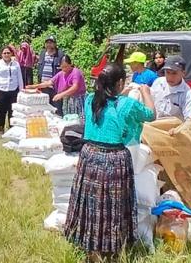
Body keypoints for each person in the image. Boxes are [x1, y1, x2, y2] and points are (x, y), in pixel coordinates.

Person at [64, 63, 155, 260]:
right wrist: (146, 92)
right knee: (113, 205)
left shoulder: (89, 99)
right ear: (121, 82)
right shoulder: (127, 104)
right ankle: (111, 249)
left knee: (92, 203)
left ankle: (90, 247)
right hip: (114, 159)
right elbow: (150, 115)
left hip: (89, 156)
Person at [151, 55, 191, 120]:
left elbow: (189, 120)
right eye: (167, 72)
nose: (170, 77)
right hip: (154, 126)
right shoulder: (158, 83)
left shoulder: (187, 94)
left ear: (183, 73)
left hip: (176, 129)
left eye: (174, 73)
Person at [0, 46, 24, 134]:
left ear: (11, 54)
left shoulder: (15, 64)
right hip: (2, 90)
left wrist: (21, 90)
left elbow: (20, 77)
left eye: (8, 53)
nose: (6, 55)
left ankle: (11, 129)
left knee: (12, 110)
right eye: (4, 53)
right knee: (2, 111)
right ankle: (1, 129)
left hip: (13, 90)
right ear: (1, 54)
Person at [38, 35, 66, 113]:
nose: (49, 44)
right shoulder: (43, 53)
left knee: (57, 108)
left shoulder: (60, 54)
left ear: (55, 44)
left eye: (51, 42)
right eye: (47, 42)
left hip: (55, 87)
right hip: (44, 85)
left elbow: (64, 70)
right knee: (45, 108)